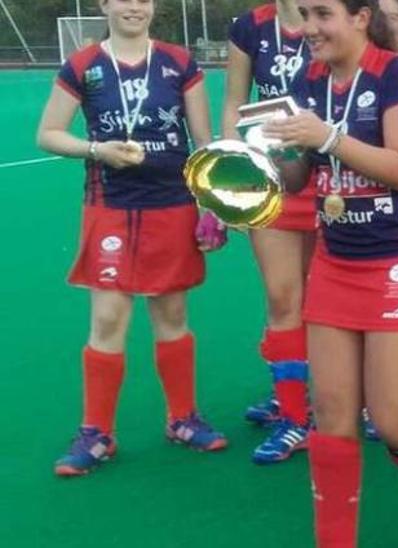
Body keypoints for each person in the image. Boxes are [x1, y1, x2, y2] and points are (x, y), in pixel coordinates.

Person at [263, 0, 398, 545]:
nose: (309, 27)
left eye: (322, 14)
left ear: (360, 17)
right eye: (305, 15)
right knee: (331, 418)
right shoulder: (310, 78)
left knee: (393, 419)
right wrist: (278, 147)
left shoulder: (396, 71)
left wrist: (325, 138)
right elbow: (294, 180)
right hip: (337, 258)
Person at [38, 0, 227, 476]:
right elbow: (49, 134)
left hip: (172, 203)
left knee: (172, 313)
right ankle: (97, 432)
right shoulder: (83, 65)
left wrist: (212, 206)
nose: (134, 7)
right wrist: (95, 148)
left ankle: (182, 418)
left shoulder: (179, 62)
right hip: (111, 206)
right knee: (107, 317)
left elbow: (203, 142)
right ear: (105, 4)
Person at [225, 0, 315, 465]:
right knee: (284, 298)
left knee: (325, 299)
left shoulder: (333, 14)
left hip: (326, 175)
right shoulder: (249, 26)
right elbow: (234, 103)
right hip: (271, 178)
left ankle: (342, 397)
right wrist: (232, 174)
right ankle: (295, 414)